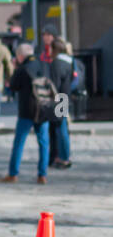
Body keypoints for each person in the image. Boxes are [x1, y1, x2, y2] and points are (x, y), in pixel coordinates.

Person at [1, 42, 53, 184]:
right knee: (43, 142)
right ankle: (42, 175)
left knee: (19, 142)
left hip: (26, 111)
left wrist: (15, 68)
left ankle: (13, 174)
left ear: (20, 56)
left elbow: (12, 87)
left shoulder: (22, 69)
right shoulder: (43, 65)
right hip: (43, 109)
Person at [47, 38, 75, 170]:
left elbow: (54, 85)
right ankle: (64, 156)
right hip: (65, 97)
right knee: (62, 127)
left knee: (61, 128)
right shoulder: (68, 61)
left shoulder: (56, 63)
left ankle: (64, 157)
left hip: (59, 99)